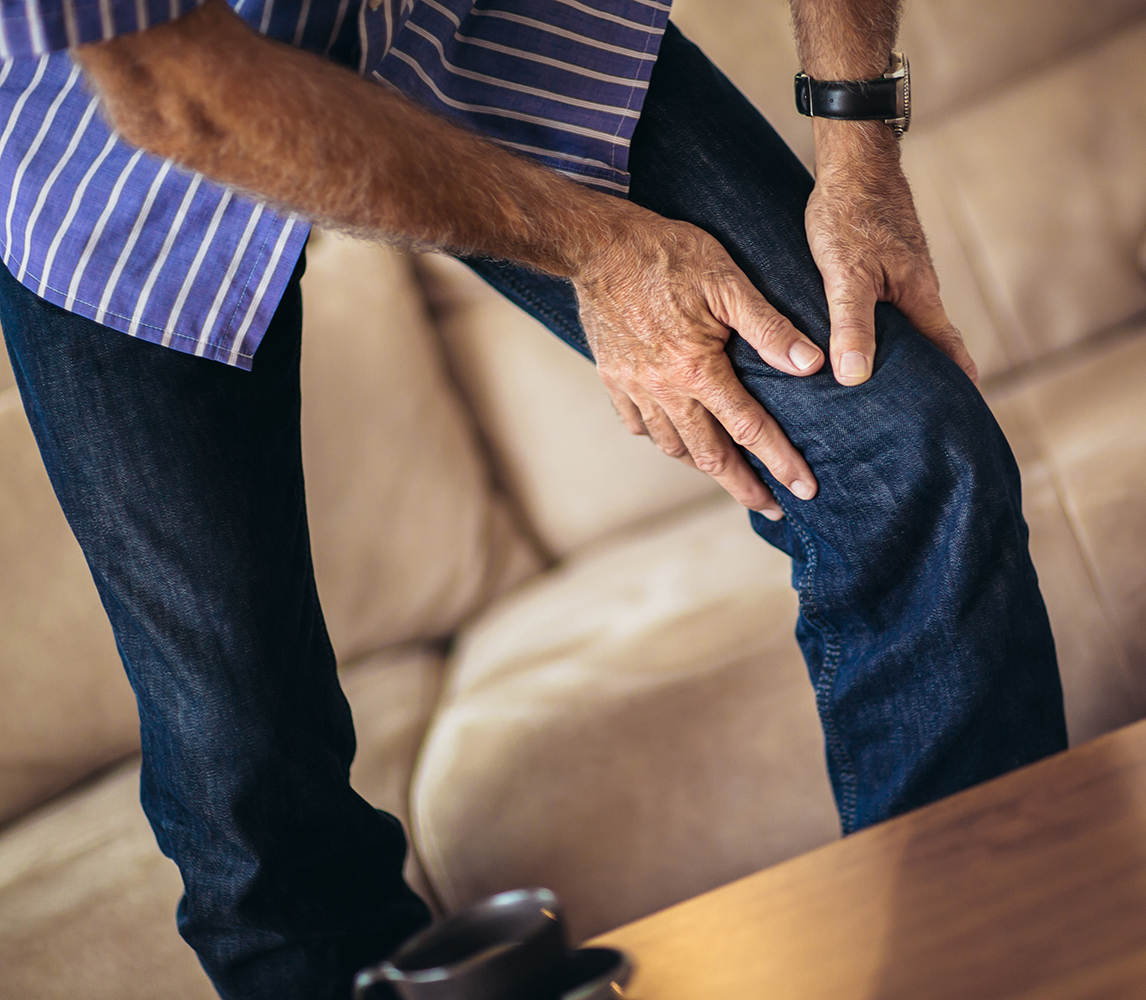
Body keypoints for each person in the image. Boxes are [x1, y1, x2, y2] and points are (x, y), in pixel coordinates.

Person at [0, 0, 1067, 997]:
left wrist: (859, 141)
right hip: (121, 140)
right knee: (251, 797)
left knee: (909, 458)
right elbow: (176, 95)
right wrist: (603, 250)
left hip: (460, 19)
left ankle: (979, 966)